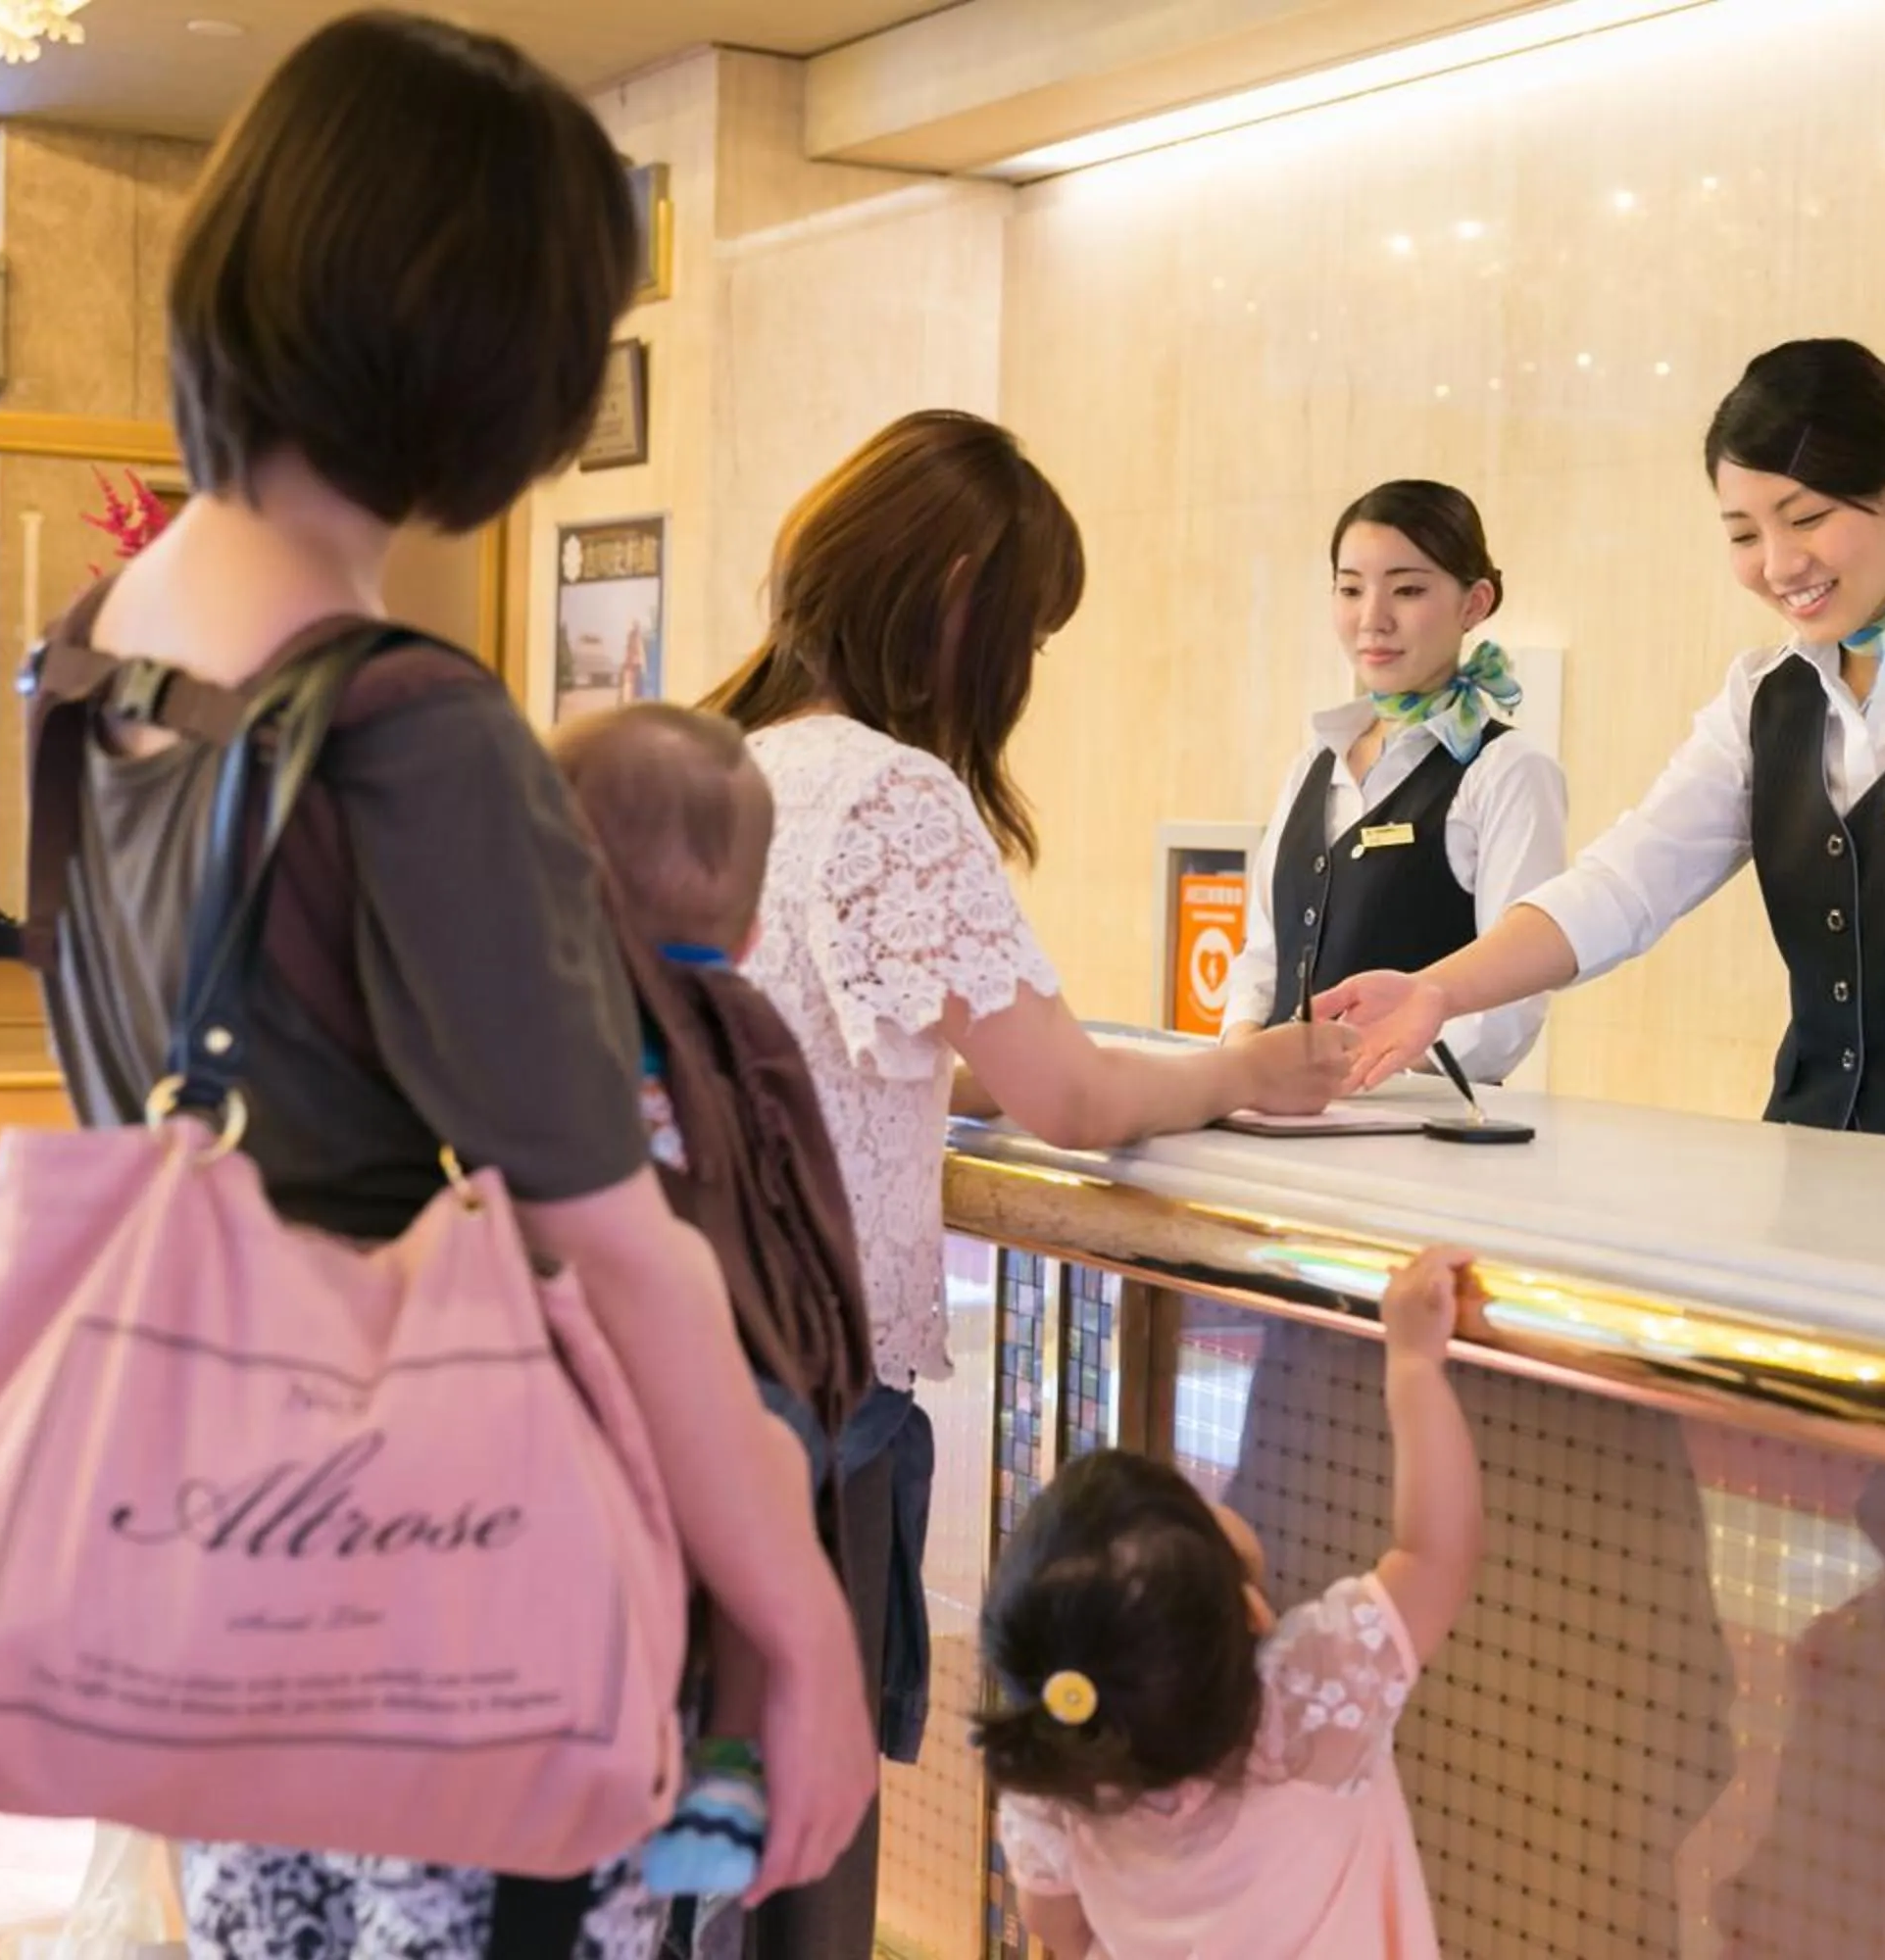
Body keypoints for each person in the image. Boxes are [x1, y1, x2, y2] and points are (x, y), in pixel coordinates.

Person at [33, 16, 868, 1955]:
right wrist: (803, 1622)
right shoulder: (411, 726)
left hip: (228, 1562)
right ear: (490, 345)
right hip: (461, 1579)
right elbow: (616, 1247)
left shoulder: (88, 671)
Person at [702, 408, 1359, 1950]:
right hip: (813, 1387)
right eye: (1028, 634)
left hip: (689, 1367)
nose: (1024, 674)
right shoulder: (892, 796)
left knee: (708, 1830)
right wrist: (1239, 1069)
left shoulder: (732, 766)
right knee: (800, 1849)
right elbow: (1067, 1095)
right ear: (955, 597)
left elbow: (902, 1041)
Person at [1322, 339, 1885, 1167]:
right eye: (1743, 534)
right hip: (1806, 1170)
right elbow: (1626, 882)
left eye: (1807, 518)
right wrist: (1442, 990)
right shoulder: (1765, 693)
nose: (1778, 564)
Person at [548, 704, 872, 1911]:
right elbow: (800, 1225)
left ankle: (719, 1760)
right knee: (771, 1482)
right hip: (729, 1392)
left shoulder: (533, 1016)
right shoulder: (746, 1029)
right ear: (746, 921)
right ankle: (728, 1762)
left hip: (572, 1394)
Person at [978, 1246, 1489, 1960]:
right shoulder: (1309, 1703)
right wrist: (1412, 1367)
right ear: (1252, 1614)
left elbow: (1058, 1926)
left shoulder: (1060, 1769)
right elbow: (1437, 1553)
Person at [1220, 481, 1568, 1083]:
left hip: (1416, 1137)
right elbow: (1264, 953)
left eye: (1408, 590)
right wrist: (1242, 1052)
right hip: (1278, 1119)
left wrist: (1371, 1075)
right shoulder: (1314, 764)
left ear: (1474, 603)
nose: (1373, 618)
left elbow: (1512, 1002)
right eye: (1350, 589)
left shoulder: (1507, 770)